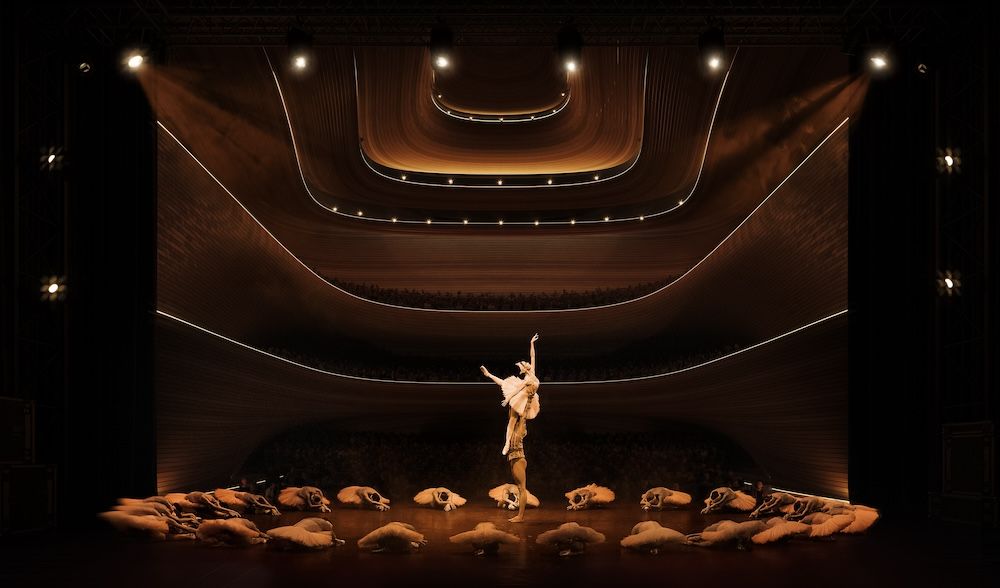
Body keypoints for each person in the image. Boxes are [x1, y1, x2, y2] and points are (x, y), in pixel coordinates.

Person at [481, 333, 540, 523]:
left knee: (522, 487)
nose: (523, 366)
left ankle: (520, 516)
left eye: (523, 366)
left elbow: (531, 363)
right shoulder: (525, 378)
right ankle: (506, 443)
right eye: (523, 366)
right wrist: (489, 375)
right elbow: (510, 384)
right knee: (510, 422)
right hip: (522, 401)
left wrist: (510, 400)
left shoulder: (530, 378)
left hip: (527, 401)